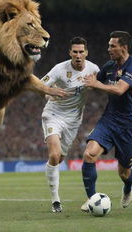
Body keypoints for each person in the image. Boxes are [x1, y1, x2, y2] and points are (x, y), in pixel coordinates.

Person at [80, 31, 132, 211]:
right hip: (109, 120)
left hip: (130, 124)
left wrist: (96, 84)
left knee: (124, 172)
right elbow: (91, 82)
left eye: (112, 46)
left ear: (124, 47)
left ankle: (128, 186)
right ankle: (91, 198)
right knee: (89, 154)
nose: (108, 49)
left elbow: (119, 89)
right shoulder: (109, 66)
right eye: (109, 45)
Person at [41, 37, 100, 212]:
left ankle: (52, 172)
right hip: (53, 114)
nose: (78, 55)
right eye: (75, 51)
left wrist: (95, 85)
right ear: (70, 53)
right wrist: (50, 92)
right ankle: (55, 201)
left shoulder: (94, 69)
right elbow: (39, 85)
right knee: (54, 155)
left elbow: (103, 84)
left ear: (86, 53)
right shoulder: (60, 69)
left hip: (74, 121)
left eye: (81, 52)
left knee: (59, 159)